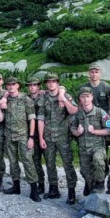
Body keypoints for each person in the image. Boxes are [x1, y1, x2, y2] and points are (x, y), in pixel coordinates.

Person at [0, 76, 41, 202]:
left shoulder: (25, 99)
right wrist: (1, 104)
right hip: (9, 135)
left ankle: (33, 190)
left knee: (28, 161)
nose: (11, 86)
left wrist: (31, 137)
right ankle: (16, 186)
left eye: (13, 84)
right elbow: (0, 118)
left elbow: (32, 119)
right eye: (9, 85)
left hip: (23, 136)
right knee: (12, 161)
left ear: (18, 86)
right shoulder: (5, 100)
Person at [36, 73, 78, 204]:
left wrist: (63, 99)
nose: (51, 84)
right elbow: (41, 119)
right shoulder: (44, 98)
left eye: (53, 81)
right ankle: (54, 189)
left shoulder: (65, 96)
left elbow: (74, 111)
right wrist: (41, 137)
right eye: (48, 81)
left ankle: (72, 191)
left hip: (63, 137)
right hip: (48, 137)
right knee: (50, 164)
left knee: (67, 164)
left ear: (57, 82)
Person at [70, 87, 110, 196]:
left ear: (92, 97)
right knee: (85, 171)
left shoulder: (100, 113)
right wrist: (77, 133)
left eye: (87, 96)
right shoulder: (78, 114)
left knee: (98, 160)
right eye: (83, 97)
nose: (85, 99)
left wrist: (95, 131)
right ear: (80, 99)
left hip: (97, 146)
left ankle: (100, 183)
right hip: (83, 147)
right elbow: (72, 129)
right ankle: (89, 185)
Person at [26, 77, 46, 195]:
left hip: (46, 134)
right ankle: (41, 184)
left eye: (35, 85)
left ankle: (54, 187)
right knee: (35, 161)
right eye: (30, 85)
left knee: (49, 162)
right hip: (32, 134)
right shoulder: (26, 98)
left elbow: (59, 89)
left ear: (39, 86)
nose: (32, 87)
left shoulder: (45, 96)